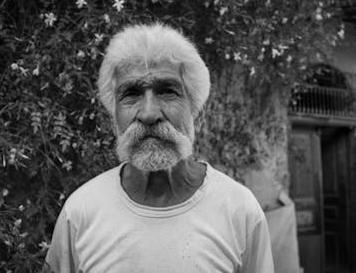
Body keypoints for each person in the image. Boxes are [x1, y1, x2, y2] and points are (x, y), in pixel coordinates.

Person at [43, 23, 274, 273]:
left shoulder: (240, 211)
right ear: (114, 119)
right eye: (131, 93)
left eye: (167, 91)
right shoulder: (80, 212)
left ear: (198, 114)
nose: (149, 114)